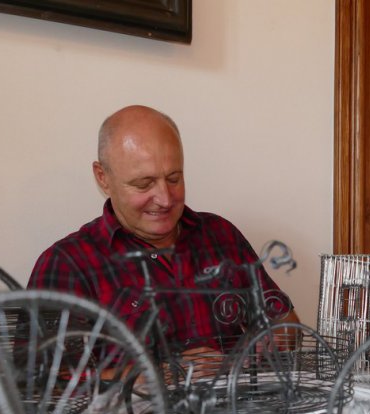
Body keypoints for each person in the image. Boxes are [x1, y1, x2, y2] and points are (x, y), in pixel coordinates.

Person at [27, 105, 300, 365]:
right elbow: (45, 382)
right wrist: (165, 375)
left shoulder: (221, 235)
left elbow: (285, 322)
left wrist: (255, 349)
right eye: (143, 184)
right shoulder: (68, 264)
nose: (165, 199)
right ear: (103, 177)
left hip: (240, 399)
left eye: (173, 178)